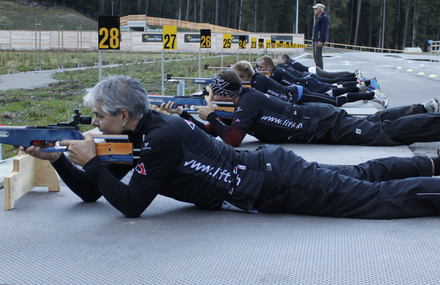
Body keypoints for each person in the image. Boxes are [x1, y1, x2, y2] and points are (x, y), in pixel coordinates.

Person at [21, 75, 440, 220]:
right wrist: (59, 159)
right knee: (361, 176)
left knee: (371, 199)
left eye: (99, 117)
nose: (94, 125)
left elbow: (130, 204)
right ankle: (433, 164)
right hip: (269, 170)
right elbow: (96, 192)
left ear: (124, 116)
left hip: (274, 183)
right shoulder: (140, 133)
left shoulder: (159, 138)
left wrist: (92, 161)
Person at [186, 70, 440, 148]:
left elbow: (231, 140)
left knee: (383, 133)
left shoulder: (247, 102)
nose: (212, 96)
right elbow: (212, 131)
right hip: (318, 121)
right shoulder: (242, 102)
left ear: (224, 94)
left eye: (213, 92)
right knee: (375, 123)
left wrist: (212, 115)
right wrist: (186, 117)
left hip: (322, 124)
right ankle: (421, 108)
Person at [257, 55, 389, 108]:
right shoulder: (276, 71)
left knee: (336, 86)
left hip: (308, 85)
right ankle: (364, 87)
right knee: (336, 90)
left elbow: (268, 84)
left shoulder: (276, 73)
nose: (260, 70)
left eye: (261, 68)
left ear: (269, 67)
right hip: (307, 84)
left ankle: (367, 88)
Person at [232, 60, 376, 107]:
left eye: (237, 77)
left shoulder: (259, 80)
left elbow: (254, 99)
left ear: (244, 76)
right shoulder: (257, 79)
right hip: (298, 93)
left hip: (299, 93)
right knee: (332, 92)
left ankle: (370, 94)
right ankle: (360, 88)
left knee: (334, 100)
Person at [280, 53, 361, 81]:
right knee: (332, 76)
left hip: (313, 71)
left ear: (284, 59)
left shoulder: (288, 63)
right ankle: (352, 75)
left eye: (281, 60)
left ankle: (352, 75)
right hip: (313, 69)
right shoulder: (292, 60)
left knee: (332, 76)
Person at [312, 3, 328, 69]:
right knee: (315, 56)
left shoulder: (324, 18)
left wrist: (321, 40)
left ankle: (320, 70)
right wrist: (313, 40)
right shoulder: (317, 17)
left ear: (320, 10)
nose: (314, 10)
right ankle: (318, 69)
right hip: (315, 39)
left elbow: (323, 30)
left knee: (318, 56)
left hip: (319, 40)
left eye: (316, 9)